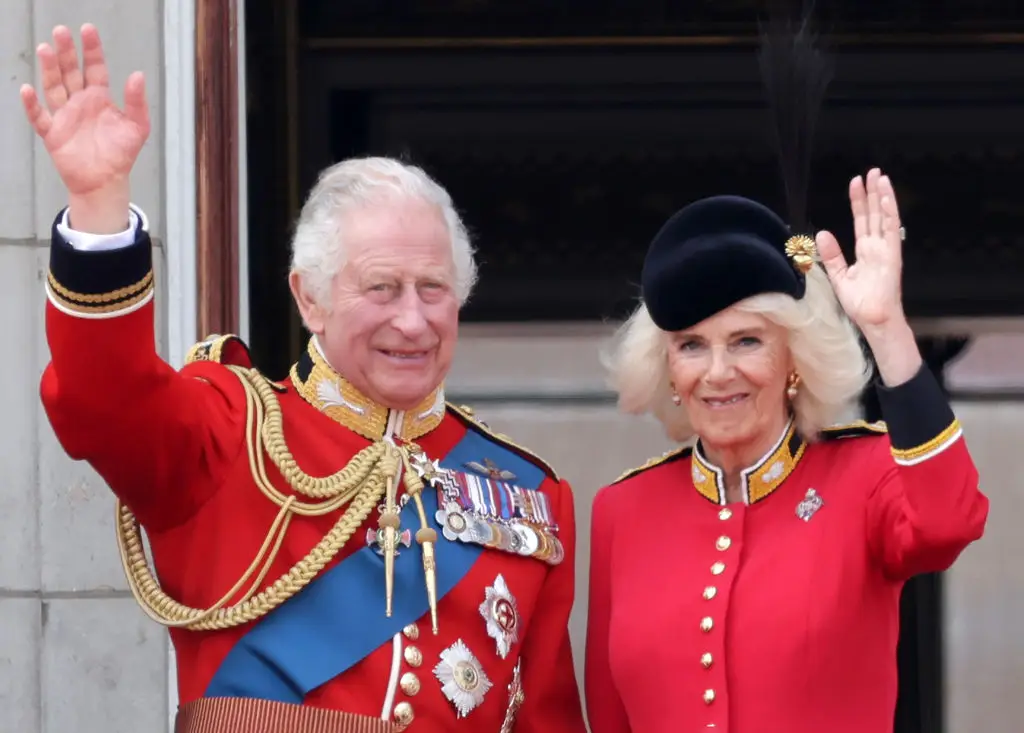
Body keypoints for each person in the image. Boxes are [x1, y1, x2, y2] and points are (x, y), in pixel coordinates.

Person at [24, 23, 587, 733]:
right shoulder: (230, 434)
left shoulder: (529, 496)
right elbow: (103, 398)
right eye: (381, 288)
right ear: (309, 298)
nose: (412, 320)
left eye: (433, 289)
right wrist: (99, 209)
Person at [583, 17, 989, 733]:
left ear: (794, 360)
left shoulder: (864, 477)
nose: (718, 372)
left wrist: (886, 329)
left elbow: (950, 521)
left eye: (747, 341)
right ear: (667, 370)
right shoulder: (623, 511)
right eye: (691, 346)